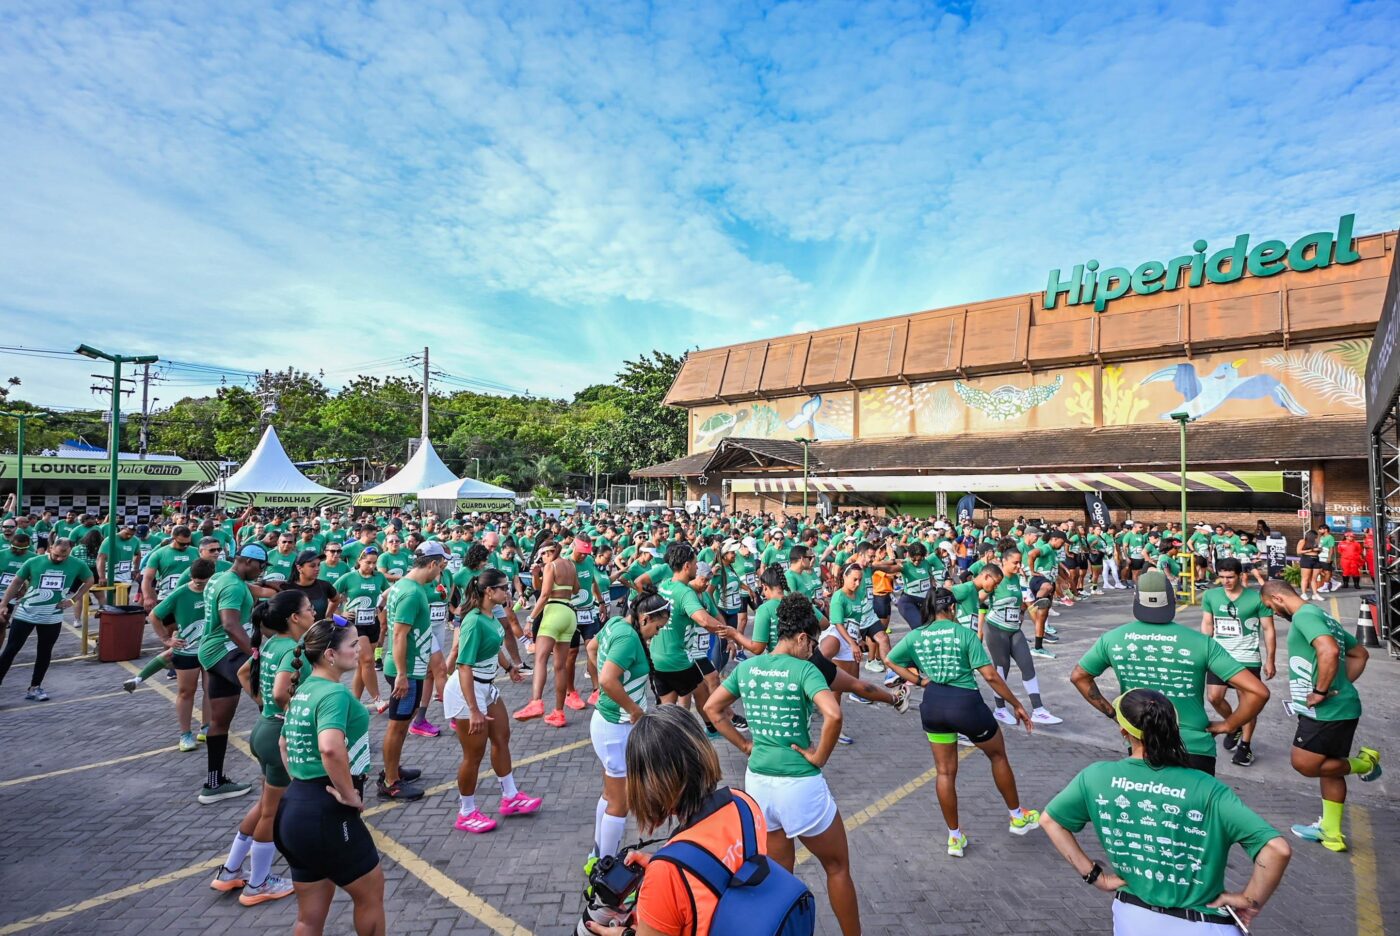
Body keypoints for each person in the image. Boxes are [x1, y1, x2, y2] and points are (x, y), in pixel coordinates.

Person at [1043, 689, 1292, 934]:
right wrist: (1251, 901)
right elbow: (1276, 849)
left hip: (1134, 919)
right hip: (1203, 923)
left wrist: (1095, 876)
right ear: (1173, 729)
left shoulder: (1095, 777)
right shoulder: (1208, 789)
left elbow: (1051, 821)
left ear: (1124, 732)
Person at [705, 593, 861, 936]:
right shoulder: (804, 669)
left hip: (759, 784)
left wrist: (745, 744)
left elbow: (712, 710)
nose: (814, 650)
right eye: (813, 643)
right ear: (802, 637)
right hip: (799, 785)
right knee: (836, 867)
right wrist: (819, 756)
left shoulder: (747, 667)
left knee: (779, 879)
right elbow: (833, 714)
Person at [584, 705, 795, 936]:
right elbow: (728, 867)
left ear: (648, 785)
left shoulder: (666, 875)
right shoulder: (743, 803)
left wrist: (624, 934)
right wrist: (675, 862)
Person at [883, 588, 1039, 857]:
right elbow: (990, 676)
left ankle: (954, 837)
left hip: (933, 704)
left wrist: (919, 681)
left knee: (945, 772)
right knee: (998, 755)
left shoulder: (916, 636)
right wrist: (1016, 704)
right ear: (952, 609)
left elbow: (889, 659)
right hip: (965, 703)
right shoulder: (964, 634)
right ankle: (1017, 816)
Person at [1070, 571, 1269, 776]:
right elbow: (1258, 692)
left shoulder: (1112, 639)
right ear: (1172, 599)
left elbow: (1079, 677)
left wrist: (1114, 714)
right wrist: (1229, 724)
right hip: (1194, 748)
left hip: (1142, 744)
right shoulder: (1202, 643)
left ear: (1136, 599)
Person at [274, 619, 386, 936]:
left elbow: (283, 744)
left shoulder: (303, 689)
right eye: (352, 645)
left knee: (309, 918)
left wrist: (303, 783)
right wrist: (349, 795)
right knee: (371, 896)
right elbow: (331, 749)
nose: (359, 649)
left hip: (295, 807)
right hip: (327, 811)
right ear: (330, 655)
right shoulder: (333, 694)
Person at [1258, 580, 1381, 852]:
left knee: (1304, 763)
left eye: (1271, 607)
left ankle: (1365, 764)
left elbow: (1330, 650)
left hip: (1326, 711)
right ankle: (1331, 832)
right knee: (1330, 768)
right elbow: (1359, 654)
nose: (1275, 614)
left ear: (1278, 599)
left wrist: (1321, 690)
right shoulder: (1322, 615)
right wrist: (1340, 685)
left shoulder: (1305, 615)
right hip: (1337, 707)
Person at [209, 590, 314, 905]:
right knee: (272, 810)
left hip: (264, 729)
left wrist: (262, 702)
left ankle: (230, 871)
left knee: (267, 803)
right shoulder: (293, 648)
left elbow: (244, 673)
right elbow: (283, 692)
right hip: (278, 732)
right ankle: (258, 883)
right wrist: (300, 711)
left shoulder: (271, 645)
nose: (313, 611)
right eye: (309, 608)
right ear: (294, 618)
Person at [444, 567, 537, 834]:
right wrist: (473, 709)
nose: (507, 592)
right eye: (503, 588)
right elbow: (463, 666)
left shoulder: (490, 615)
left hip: (486, 686)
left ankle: (510, 796)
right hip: (467, 691)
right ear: (489, 591)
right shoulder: (473, 620)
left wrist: (509, 669)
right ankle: (466, 812)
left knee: (502, 737)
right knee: (473, 755)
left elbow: (495, 646)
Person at [588, 587, 669, 865]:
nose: (657, 634)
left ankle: (597, 855)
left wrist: (603, 691)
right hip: (616, 728)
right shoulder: (628, 638)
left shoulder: (615, 622)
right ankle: (606, 869)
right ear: (645, 618)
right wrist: (633, 709)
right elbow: (609, 680)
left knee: (609, 795)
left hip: (607, 723)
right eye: (657, 628)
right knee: (620, 804)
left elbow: (592, 647)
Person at [196, 543, 272, 803]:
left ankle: (213, 783)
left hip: (211, 653)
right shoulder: (233, 586)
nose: (261, 572)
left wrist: (275, 589)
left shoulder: (220, 576)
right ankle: (276, 777)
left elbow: (250, 590)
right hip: (226, 651)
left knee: (220, 721)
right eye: (260, 567)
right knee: (270, 703)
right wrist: (255, 653)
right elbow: (230, 624)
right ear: (249, 562)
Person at [124, 558, 217, 750]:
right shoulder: (181, 593)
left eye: (204, 582)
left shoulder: (216, 590)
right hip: (187, 650)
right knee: (186, 691)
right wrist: (166, 639)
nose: (200, 585)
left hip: (211, 649)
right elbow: (154, 615)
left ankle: (206, 727)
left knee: (211, 690)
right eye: (197, 581)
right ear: (191, 576)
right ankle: (185, 734)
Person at [378, 544, 441, 799]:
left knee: (402, 724)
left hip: (411, 667)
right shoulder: (412, 593)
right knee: (398, 726)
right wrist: (402, 674)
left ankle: (393, 769)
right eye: (441, 564)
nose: (442, 570)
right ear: (433, 564)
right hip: (405, 669)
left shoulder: (404, 586)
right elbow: (399, 635)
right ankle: (390, 781)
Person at [1199, 558, 1275, 767]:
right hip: (1219, 656)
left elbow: (1268, 629)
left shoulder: (1256, 598)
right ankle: (1233, 725)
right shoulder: (1211, 596)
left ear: (1240, 576)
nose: (1226, 581)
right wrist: (1205, 651)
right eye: (1222, 577)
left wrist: (1270, 659)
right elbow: (1207, 624)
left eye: (1230, 577)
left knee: (1247, 703)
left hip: (1247, 657)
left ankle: (1245, 747)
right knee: (1214, 697)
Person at [0, 537, 94, 702]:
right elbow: (16, 582)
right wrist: (4, 603)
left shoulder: (77, 564)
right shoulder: (33, 561)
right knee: (10, 650)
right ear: (50, 548)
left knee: (44, 652)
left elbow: (89, 580)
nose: (59, 559)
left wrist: (73, 599)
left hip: (52, 616)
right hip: (26, 613)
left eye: (63, 557)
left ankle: (35, 687)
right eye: (56, 555)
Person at [983, 548, 1062, 726]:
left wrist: (1028, 612)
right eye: (1015, 562)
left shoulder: (1019, 580)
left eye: (1020, 562)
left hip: (1014, 629)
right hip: (996, 629)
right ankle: (1000, 709)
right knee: (1002, 670)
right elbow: (978, 597)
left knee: (1028, 666)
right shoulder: (995, 580)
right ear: (1003, 562)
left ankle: (1039, 710)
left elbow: (1025, 605)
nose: (1019, 565)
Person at [514, 539, 579, 727]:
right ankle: (559, 713)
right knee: (560, 666)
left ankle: (536, 702)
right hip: (569, 614)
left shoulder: (551, 565)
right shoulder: (570, 565)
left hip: (553, 613)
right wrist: (537, 575)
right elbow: (575, 589)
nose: (541, 558)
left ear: (549, 552)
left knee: (540, 659)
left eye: (542, 554)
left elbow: (543, 595)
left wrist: (530, 618)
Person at [334, 546, 389, 712]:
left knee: (363, 665)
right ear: (359, 561)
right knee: (367, 661)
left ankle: (354, 702)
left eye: (374, 563)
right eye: (368, 562)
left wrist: (380, 608)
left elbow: (387, 593)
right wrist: (340, 614)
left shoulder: (379, 577)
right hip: (354, 626)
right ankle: (378, 699)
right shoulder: (349, 577)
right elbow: (331, 595)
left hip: (372, 624)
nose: (372, 566)